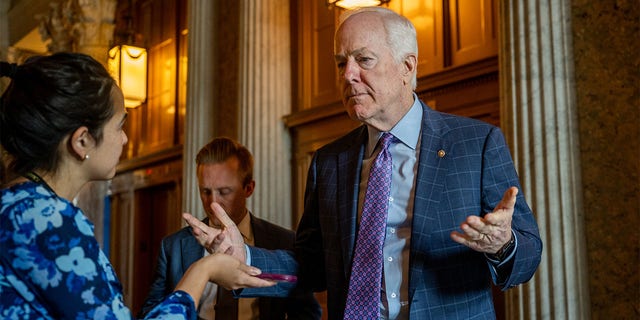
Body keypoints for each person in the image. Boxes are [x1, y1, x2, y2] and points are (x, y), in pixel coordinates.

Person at [184, 6, 543, 320]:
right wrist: (242, 254)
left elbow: (528, 256)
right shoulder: (329, 162)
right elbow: (310, 267)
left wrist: (503, 244)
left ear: (407, 66)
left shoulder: (475, 144)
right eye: (342, 62)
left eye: (363, 59)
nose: (347, 74)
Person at [0, 53, 273, 319]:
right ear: (82, 140)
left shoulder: (18, 207)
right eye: (120, 126)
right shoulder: (47, 221)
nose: (125, 139)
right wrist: (204, 271)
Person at [139, 137, 321, 319]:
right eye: (205, 191)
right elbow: (150, 313)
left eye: (224, 192)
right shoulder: (174, 246)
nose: (213, 202)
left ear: (249, 188)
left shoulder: (284, 241)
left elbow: (307, 314)